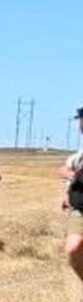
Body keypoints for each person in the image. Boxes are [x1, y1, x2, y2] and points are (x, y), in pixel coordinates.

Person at [62, 107, 83, 285]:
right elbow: (70, 169)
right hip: (80, 209)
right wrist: (66, 192)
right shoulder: (80, 155)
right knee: (72, 248)